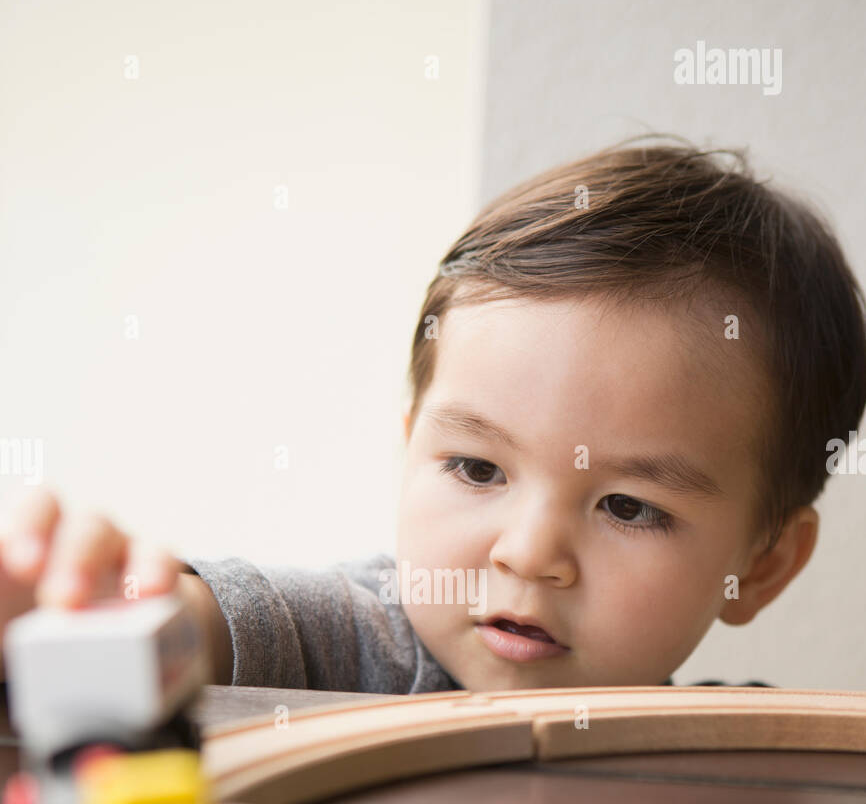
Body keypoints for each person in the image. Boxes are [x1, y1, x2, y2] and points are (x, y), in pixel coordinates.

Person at [1, 137, 864, 694]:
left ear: (759, 565)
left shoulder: (731, 757)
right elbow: (199, 630)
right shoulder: (349, 644)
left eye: (629, 506)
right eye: (478, 469)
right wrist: (69, 626)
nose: (527, 554)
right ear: (411, 444)